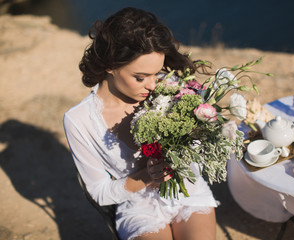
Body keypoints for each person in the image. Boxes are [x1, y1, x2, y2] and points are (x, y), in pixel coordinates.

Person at [63, 7, 218, 240]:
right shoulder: (79, 121)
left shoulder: (171, 86)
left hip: (189, 191)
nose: (153, 85)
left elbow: (195, 146)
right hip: (139, 207)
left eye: (156, 73)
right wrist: (147, 177)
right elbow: (100, 193)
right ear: (110, 65)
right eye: (140, 77)